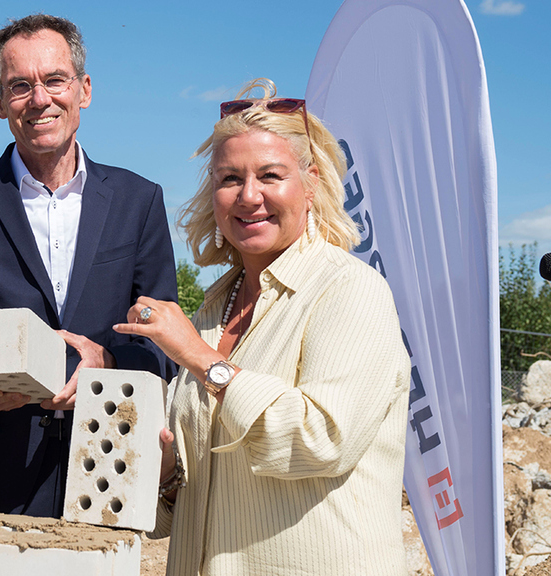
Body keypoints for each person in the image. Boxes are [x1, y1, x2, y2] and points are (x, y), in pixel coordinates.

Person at [114, 79, 411, 575]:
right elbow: (178, 509)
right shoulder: (212, 311)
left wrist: (202, 360)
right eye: (230, 178)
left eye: (270, 175)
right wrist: (165, 472)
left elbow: (321, 440)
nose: (249, 196)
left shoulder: (349, 289)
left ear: (311, 183)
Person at [0, 14, 177, 518]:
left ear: (84, 89)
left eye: (55, 80)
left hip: (104, 478)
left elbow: (161, 337)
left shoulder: (139, 200)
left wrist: (111, 364)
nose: (39, 99)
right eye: (19, 86)